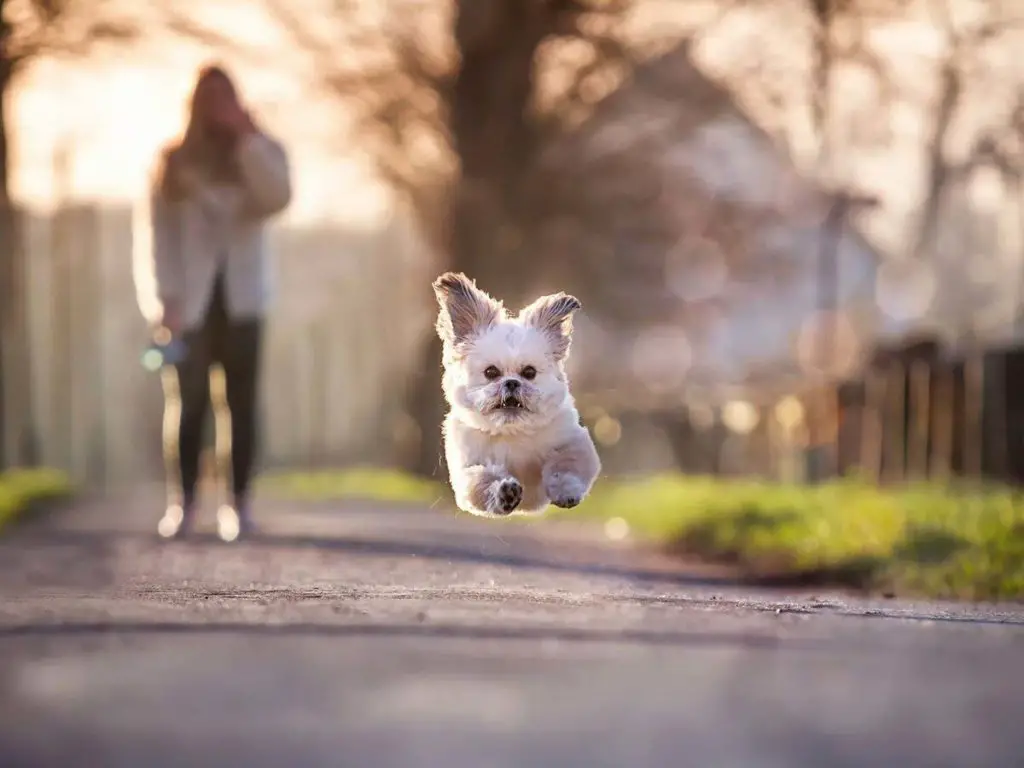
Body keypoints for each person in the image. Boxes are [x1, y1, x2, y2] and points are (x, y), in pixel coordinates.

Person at [133, 64, 292, 541]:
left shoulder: (262, 152)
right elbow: (155, 238)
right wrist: (165, 301)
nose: (220, 108)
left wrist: (246, 138)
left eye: (229, 98)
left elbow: (277, 198)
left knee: (241, 405)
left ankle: (238, 504)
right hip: (189, 304)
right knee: (188, 404)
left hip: (245, 299)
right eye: (212, 99)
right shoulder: (172, 162)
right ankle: (182, 503)